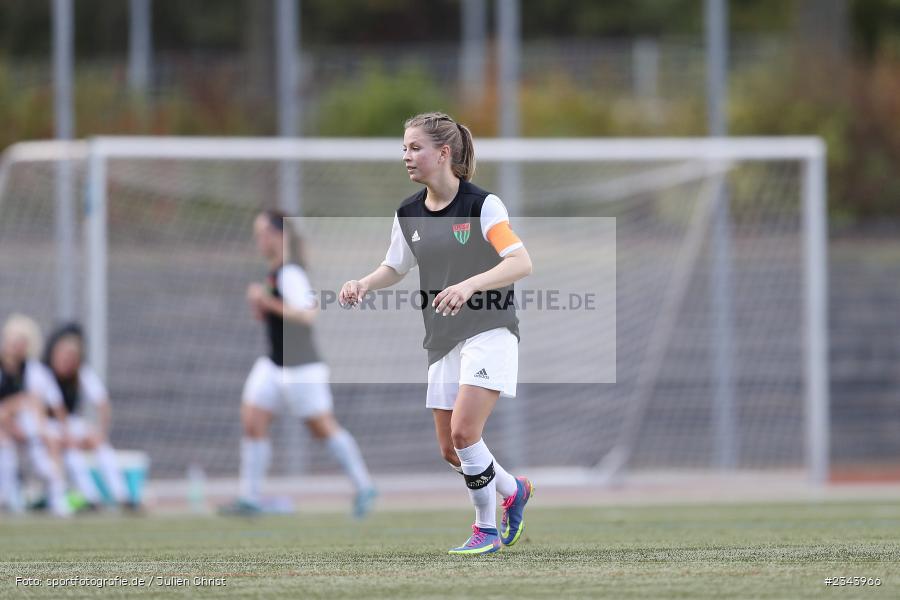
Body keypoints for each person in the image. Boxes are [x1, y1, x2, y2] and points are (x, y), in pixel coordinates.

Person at [340, 112, 535, 555]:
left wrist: (469, 285)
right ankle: (513, 490)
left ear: (443, 153)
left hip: (490, 328)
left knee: (466, 433)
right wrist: (364, 283)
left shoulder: (482, 205)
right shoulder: (408, 212)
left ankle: (485, 529)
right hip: (442, 337)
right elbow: (396, 265)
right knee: (451, 449)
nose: (407, 156)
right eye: (404, 149)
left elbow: (520, 262)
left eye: (415, 148)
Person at [221, 210, 376, 517]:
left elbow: (307, 313)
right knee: (253, 420)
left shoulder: (290, 273)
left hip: (301, 366)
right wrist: (264, 307)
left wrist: (268, 303)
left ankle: (363, 486)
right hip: (274, 364)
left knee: (322, 429)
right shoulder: (275, 271)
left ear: (279, 236)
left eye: (263, 232)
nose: (258, 239)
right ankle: (250, 498)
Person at [41, 323, 133, 511]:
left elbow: (102, 402)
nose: (67, 361)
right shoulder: (44, 373)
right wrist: (68, 436)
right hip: (49, 424)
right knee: (72, 453)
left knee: (101, 446)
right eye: (63, 356)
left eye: (71, 357)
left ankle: (122, 495)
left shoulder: (82, 373)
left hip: (70, 422)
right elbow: (57, 408)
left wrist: (101, 432)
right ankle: (90, 497)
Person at [0, 314, 70, 517]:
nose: (16, 347)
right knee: (5, 447)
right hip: (6, 427)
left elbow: (40, 403)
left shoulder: (34, 371)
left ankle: (57, 497)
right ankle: (10, 498)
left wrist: (41, 430)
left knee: (46, 454)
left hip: (27, 428)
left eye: (21, 342)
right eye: (13, 341)